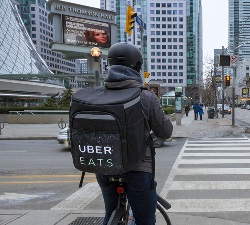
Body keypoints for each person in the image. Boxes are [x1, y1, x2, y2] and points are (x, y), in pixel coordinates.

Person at [96, 42, 173, 225]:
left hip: (105, 165)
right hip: (138, 169)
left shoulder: (96, 96)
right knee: (145, 220)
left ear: (109, 65)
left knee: (110, 212)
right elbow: (166, 131)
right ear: (137, 67)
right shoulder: (146, 97)